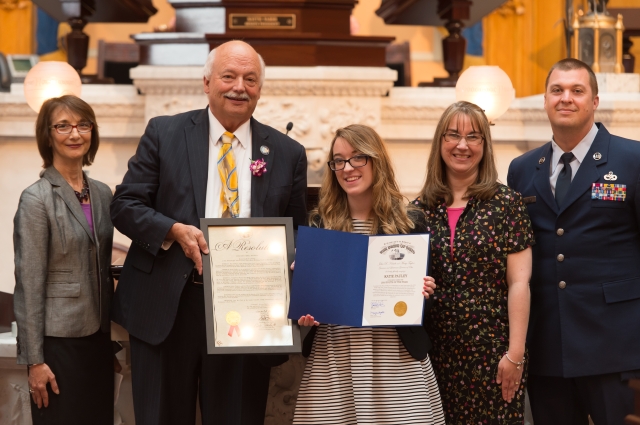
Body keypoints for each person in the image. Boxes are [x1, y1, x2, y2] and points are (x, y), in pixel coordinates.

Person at [110, 40, 307, 425]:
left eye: (250, 79)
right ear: (206, 82)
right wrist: (172, 230)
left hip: (247, 314)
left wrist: (296, 261)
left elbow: (298, 231)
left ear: (260, 89)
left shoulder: (286, 152)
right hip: (169, 307)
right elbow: (125, 205)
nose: (239, 87)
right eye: (229, 76)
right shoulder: (165, 133)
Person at [508, 58, 640, 424]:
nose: (566, 98)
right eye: (557, 90)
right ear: (545, 100)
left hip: (616, 347)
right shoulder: (522, 169)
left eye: (577, 91)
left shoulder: (633, 161)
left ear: (594, 101)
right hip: (549, 346)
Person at [293, 124, 445, 425]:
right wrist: (302, 295)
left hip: (396, 360)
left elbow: (419, 304)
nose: (347, 168)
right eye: (338, 160)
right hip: (336, 359)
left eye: (357, 157)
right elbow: (305, 309)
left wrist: (425, 290)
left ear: (376, 160)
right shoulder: (319, 225)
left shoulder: (409, 222)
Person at [413, 101, 533, 424]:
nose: (462, 145)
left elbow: (518, 283)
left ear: (485, 145)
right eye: (452, 135)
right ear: (440, 142)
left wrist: (515, 355)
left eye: (473, 137)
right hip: (433, 359)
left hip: (493, 359)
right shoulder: (418, 209)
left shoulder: (507, 204)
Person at [13, 95, 116, 424]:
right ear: (47, 134)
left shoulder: (101, 192)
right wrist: (34, 361)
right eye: (63, 126)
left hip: (98, 340)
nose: (75, 134)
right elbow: (29, 284)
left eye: (83, 125)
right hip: (57, 344)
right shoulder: (36, 198)